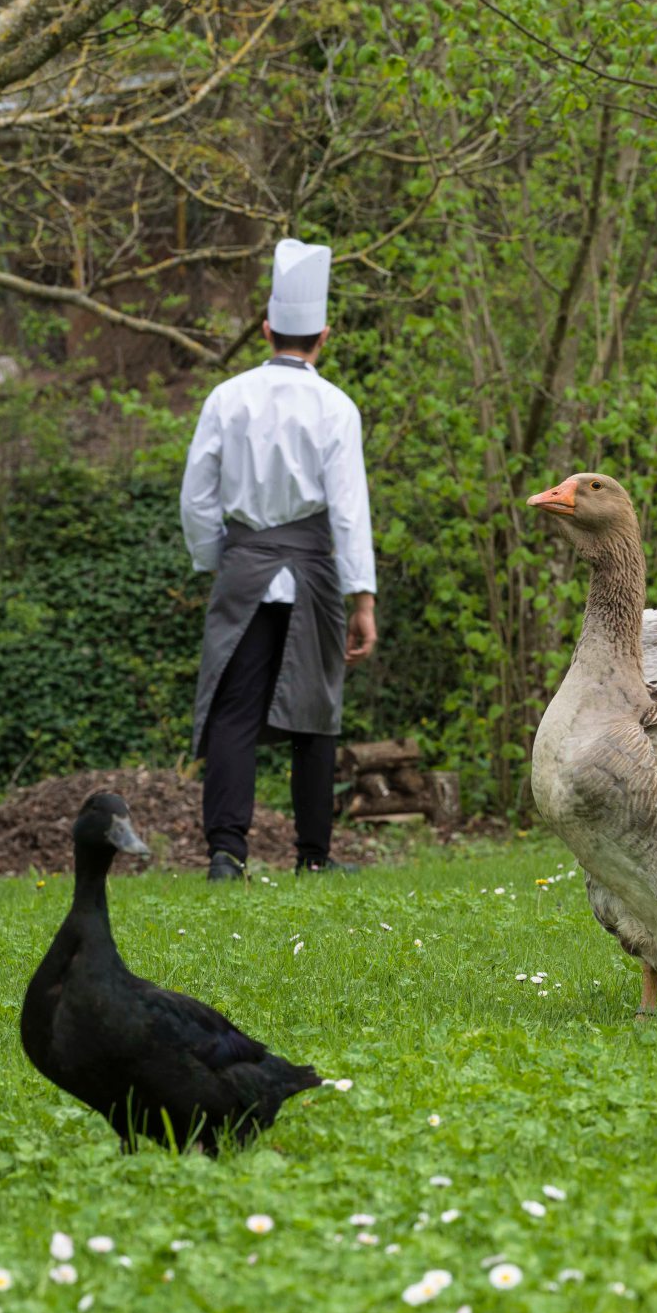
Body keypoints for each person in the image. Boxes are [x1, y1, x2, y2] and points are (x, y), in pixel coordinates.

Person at [180, 238, 376, 880]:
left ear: (265, 329)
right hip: (316, 574)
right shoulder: (336, 408)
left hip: (244, 571)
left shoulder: (225, 399)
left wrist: (220, 560)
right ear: (326, 334)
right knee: (314, 715)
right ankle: (312, 858)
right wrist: (363, 599)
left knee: (236, 711)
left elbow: (196, 498)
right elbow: (348, 509)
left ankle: (226, 853)